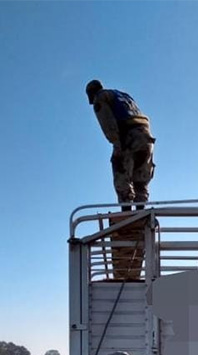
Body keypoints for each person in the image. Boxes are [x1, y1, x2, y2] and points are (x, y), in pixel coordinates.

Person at [86, 79, 156, 281]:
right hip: (147, 137)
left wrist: (117, 145)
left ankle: (127, 215)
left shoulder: (102, 97)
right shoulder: (122, 95)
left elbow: (108, 123)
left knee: (122, 172)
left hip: (129, 136)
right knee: (141, 180)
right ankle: (140, 212)